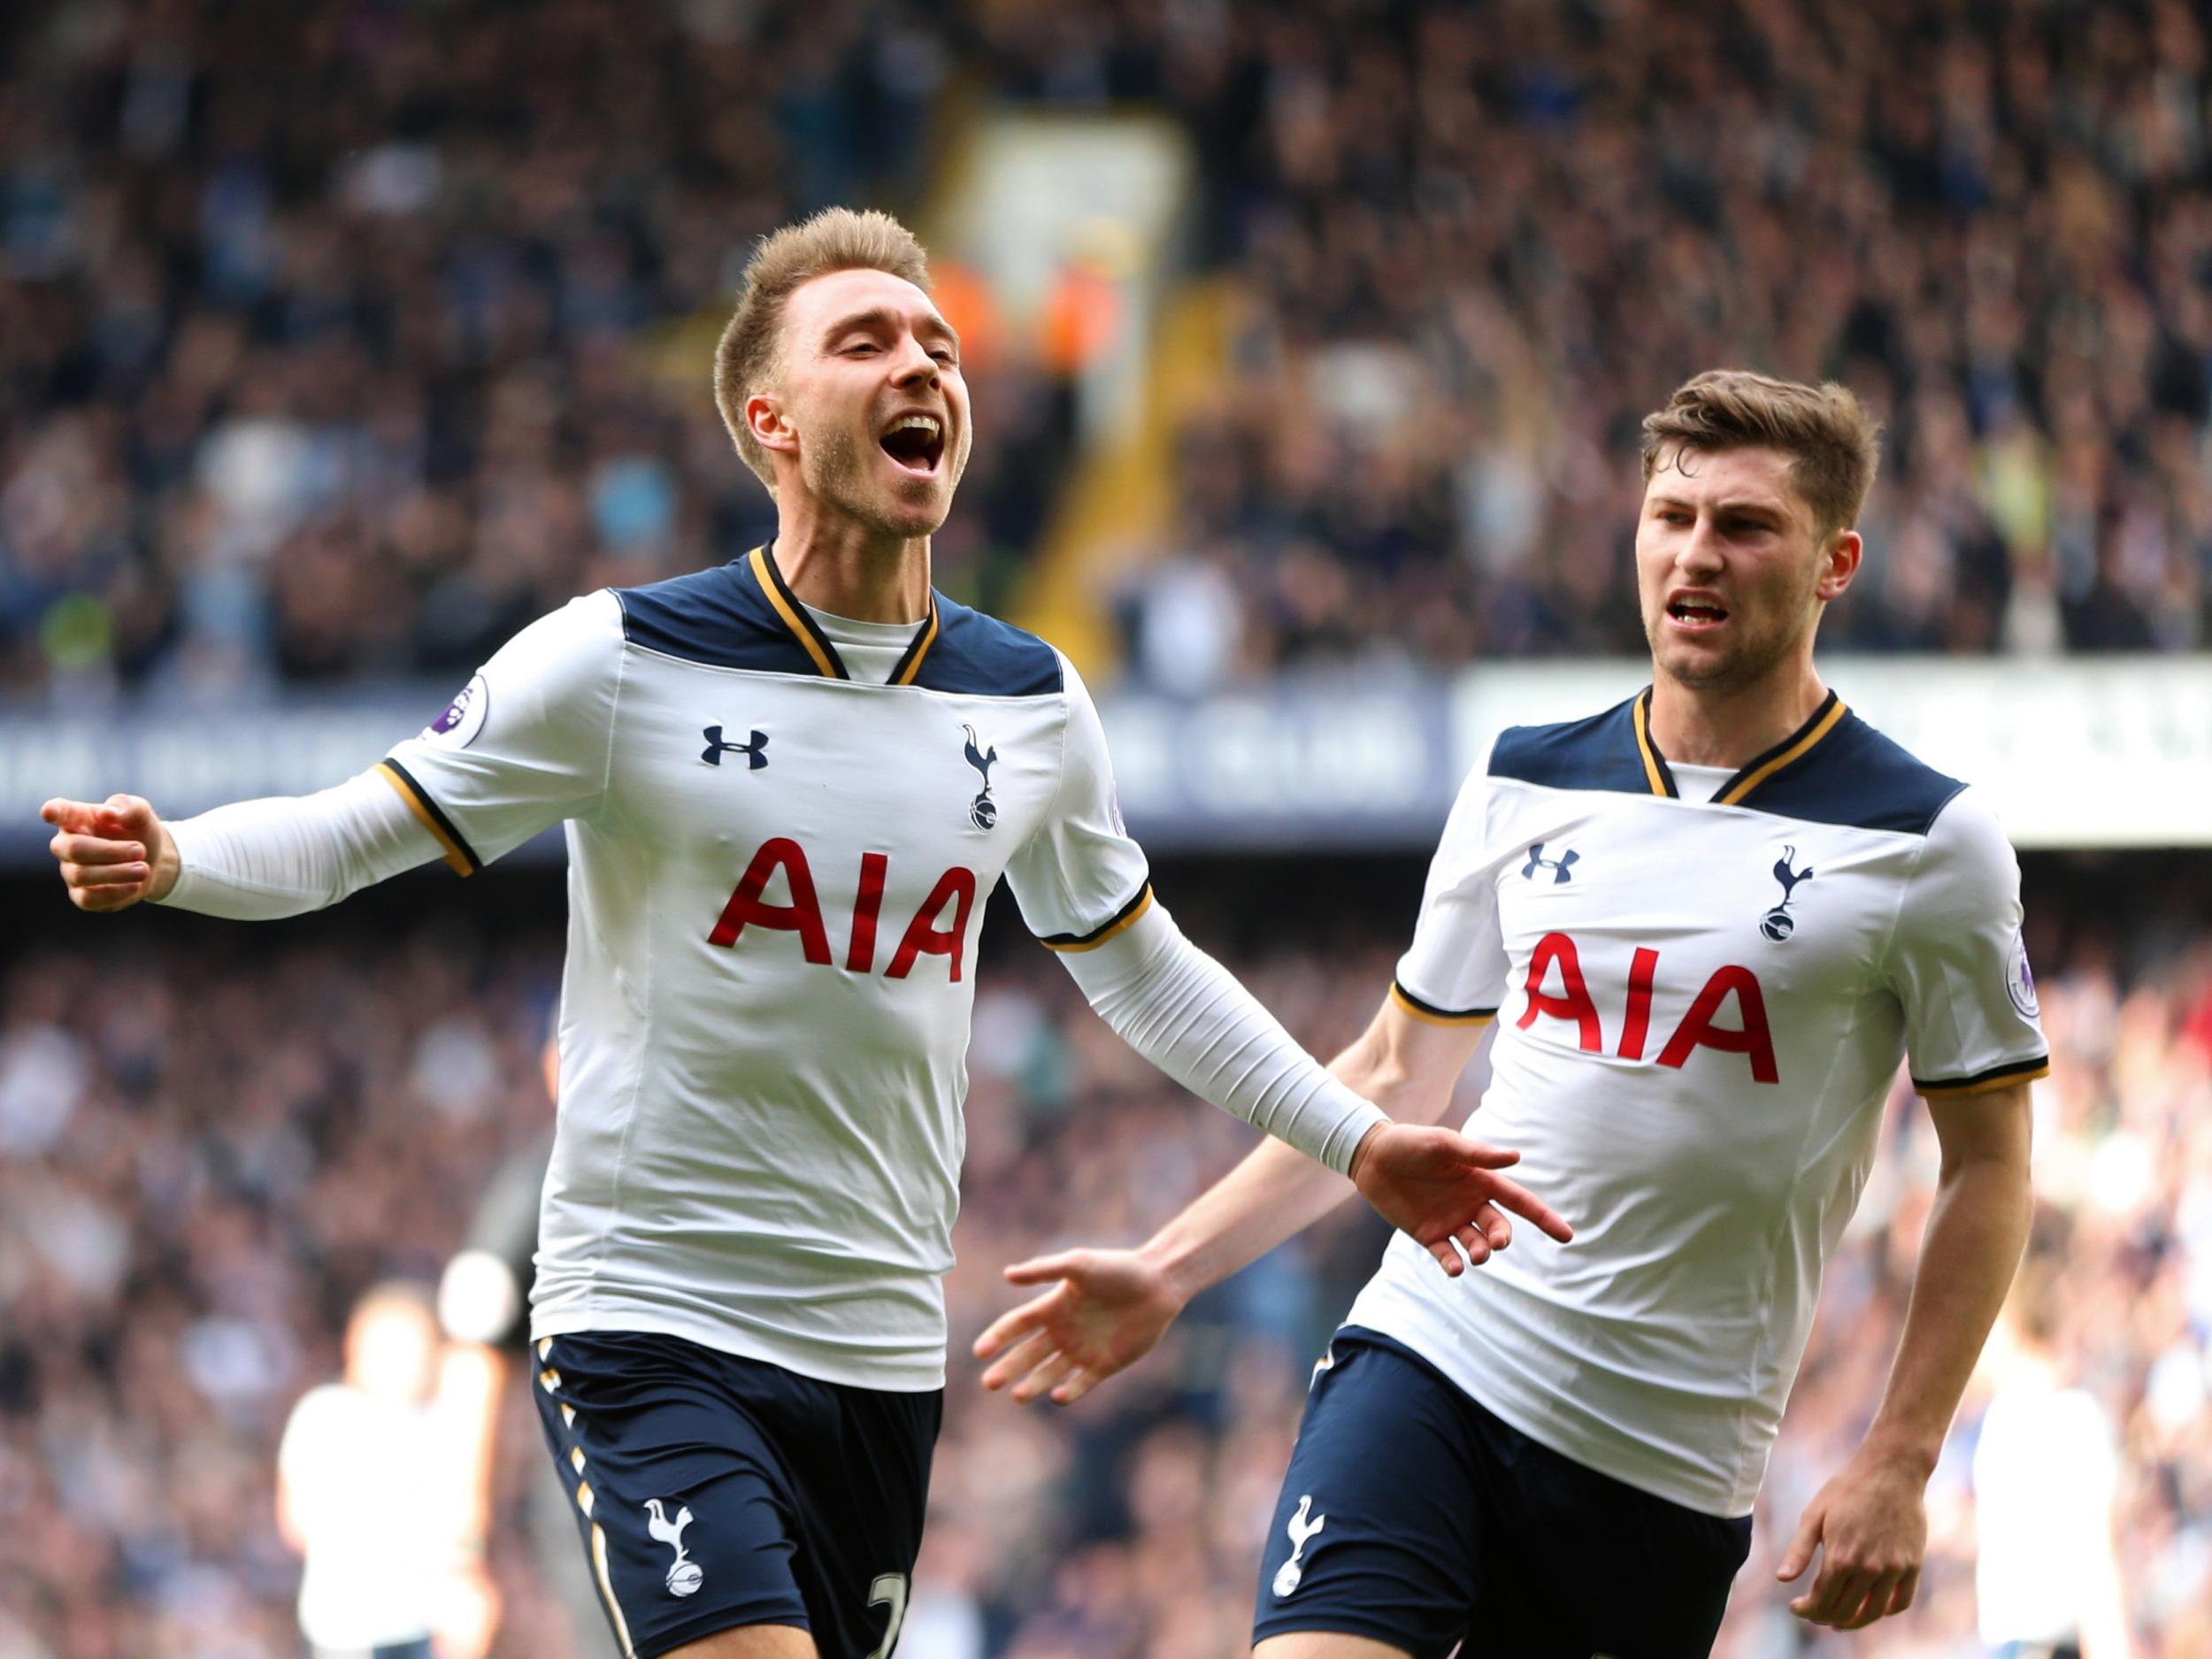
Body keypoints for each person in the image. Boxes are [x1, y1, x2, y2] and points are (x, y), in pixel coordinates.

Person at [40, 207, 1567, 1659]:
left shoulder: (1025, 701)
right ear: (770, 421)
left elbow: (1146, 974)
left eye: (939, 347)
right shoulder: (619, 660)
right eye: (865, 342)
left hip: (879, 1356)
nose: (923, 365)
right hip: (651, 1323)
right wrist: (180, 857)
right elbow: (354, 828)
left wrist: (1358, 1145)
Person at [977, 370, 2048, 1656]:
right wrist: (1169, 1263)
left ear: (1836, 561)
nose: (1696, 553)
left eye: (1746, 525)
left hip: (1663, 1465)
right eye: (1672, 515)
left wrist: (1901, 1454)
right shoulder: (1525, 777)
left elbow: (1990, 1167)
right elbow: (1386, 1075)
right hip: (1435, 1358)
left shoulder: (1927, 838)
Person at [276, 1282, 449, 1659]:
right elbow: (297, 1521)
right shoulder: (325, 1415)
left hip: (427, 1626)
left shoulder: (437, 1422)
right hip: (347, 1629)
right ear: (358, 1345)